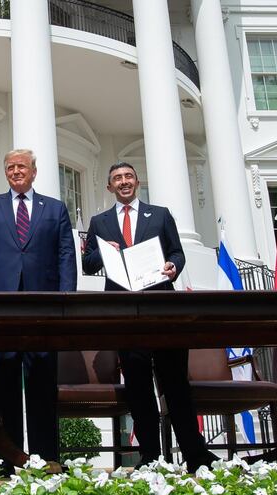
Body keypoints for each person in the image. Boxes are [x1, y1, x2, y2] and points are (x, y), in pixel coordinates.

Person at [82, 162, 217, 472]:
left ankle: (195, 454)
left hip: (162, 310)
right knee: (139, 388)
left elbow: (177, 253)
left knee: (175, 384)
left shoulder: (159, 215)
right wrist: (104, 252)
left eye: (128, 176)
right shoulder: (99, 222)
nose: (123, 181)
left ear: (137, 181)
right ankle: (151, 457)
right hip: (125, 315)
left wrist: (174, 266)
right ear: (109, 187)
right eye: (117, 178)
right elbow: (88, 264)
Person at [0, 149, 77, 473]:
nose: (16, 171)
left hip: (42, 308)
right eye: (11, 167)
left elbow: (65, 257)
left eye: (22, 166)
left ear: (34, 171)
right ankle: (9, 459)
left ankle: (47, 459)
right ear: (6, 173)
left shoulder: (54, 209)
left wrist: (65, 300)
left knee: (42, 383)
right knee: (4, 385)